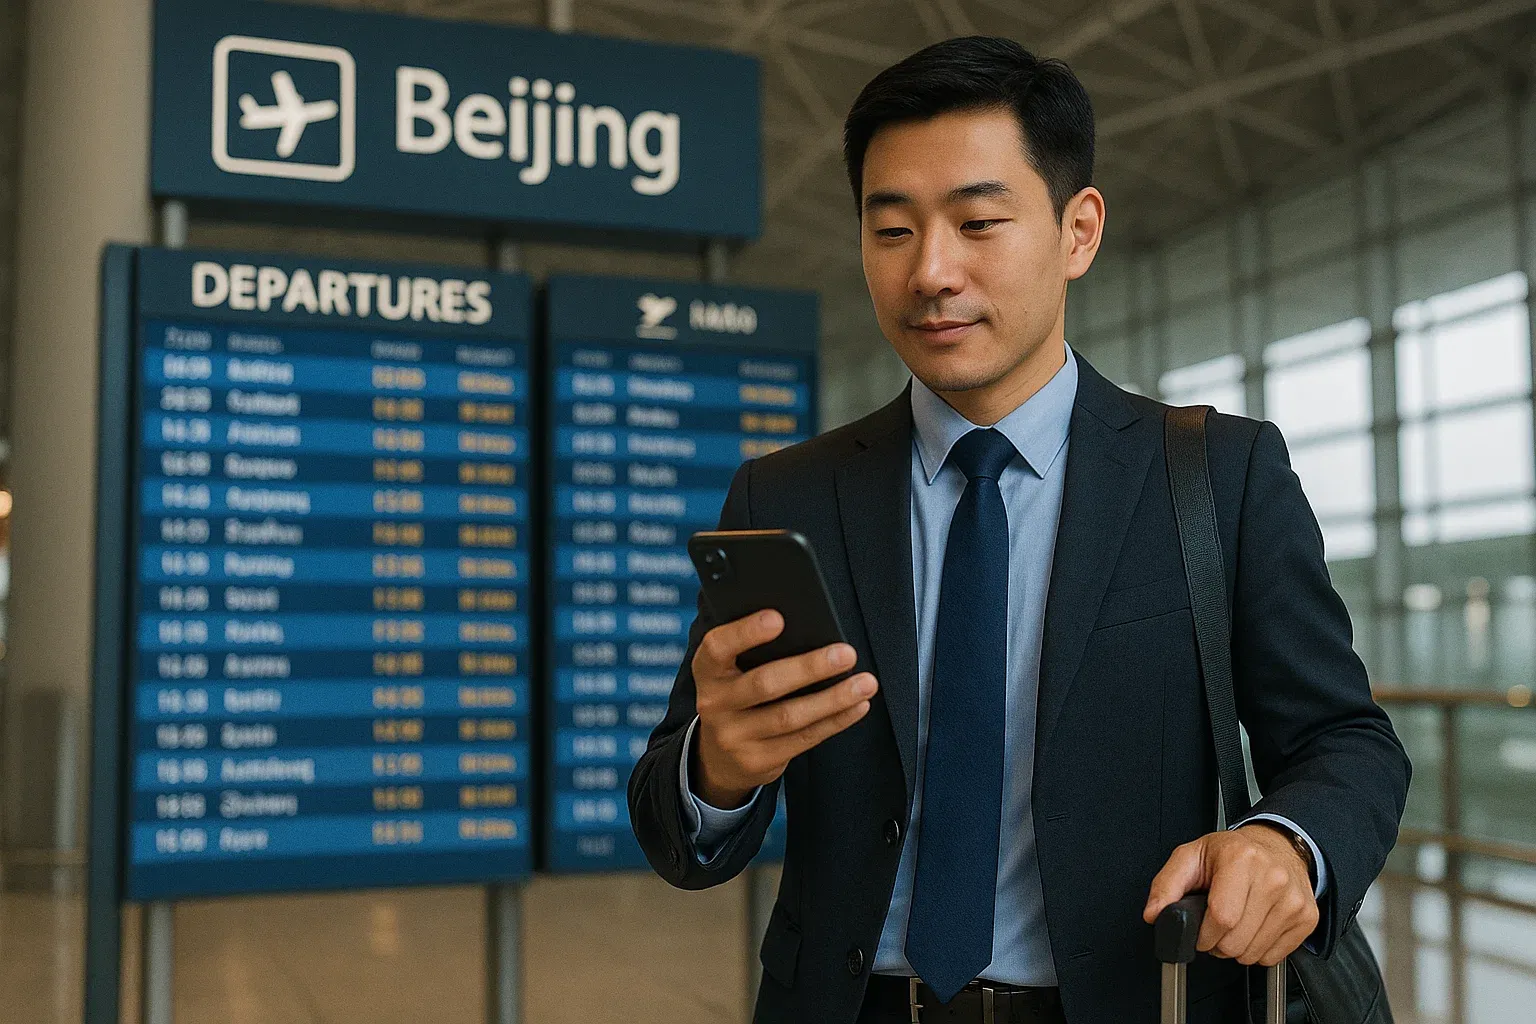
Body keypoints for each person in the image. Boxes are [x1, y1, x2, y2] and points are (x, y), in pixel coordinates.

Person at [628, 36, 1410, 1024]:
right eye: (892, 230)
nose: (931, 272)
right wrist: (717, 771)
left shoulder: (1218, 475)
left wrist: (1286, 839)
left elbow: (1348, 738)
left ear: (1078, 232)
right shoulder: (788, 499)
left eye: (978, 222)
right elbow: (670, 818)